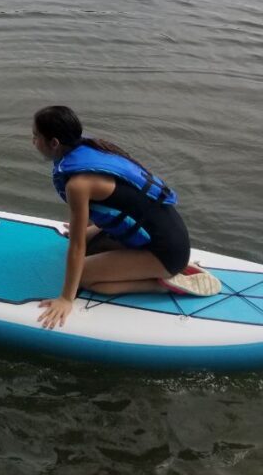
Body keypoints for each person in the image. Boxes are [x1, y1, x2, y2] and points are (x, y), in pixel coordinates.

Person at [31, 105, 220, 330]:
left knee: (84, 275)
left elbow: (77, 246)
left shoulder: (78, 184)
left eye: (36, 136)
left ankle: (161, 284)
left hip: (166, 252)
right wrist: (86, 228)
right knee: (88, 241)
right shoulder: (92, 148)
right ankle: (151, 266)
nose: (33, 141)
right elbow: (120, 205)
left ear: (54, 143)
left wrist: (65, 299)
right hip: (166, 233)